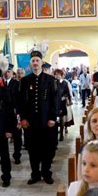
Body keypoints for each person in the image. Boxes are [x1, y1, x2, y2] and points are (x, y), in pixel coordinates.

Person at [17, 50, 58, 185]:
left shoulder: (51, 80)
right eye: (33, 61)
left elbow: (55, 100)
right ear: (30, 64)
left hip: (47, 121)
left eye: (37, 61)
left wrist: (53, 117)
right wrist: (23, 118)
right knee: (32, 149)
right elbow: (21, 102)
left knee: (47, 149)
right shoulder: (24, 81)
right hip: (30, 122)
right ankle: (35, 174)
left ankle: (46, 173)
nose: (35, 63)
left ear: (42, 63)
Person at [55, 69, 72, 142]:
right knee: (55, 119)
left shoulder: (65, 83)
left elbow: (67, 92)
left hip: (62, 103)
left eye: (58, 74)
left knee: (61, 118)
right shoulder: (53, 82)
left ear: (61, 75)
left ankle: (61, 134)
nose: (57, 76)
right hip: (54, 103)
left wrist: (64, 97)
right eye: (55, 74)